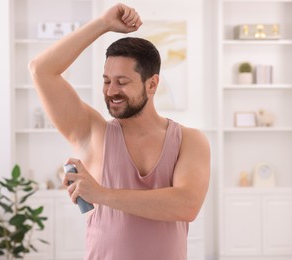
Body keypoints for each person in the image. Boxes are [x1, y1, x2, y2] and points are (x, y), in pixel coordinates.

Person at [29, 3, 210, 260]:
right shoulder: (93, 134)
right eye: (106, 81)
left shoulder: (190, 140)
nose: (111, 91)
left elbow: (186, 205)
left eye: (122, 82)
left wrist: (101, 194)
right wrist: (102, 24)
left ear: (152, 84)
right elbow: (41, 70)